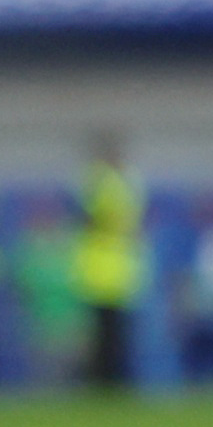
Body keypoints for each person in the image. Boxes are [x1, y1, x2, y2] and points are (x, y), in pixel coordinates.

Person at [74, 141, 146, 393]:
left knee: (112, 335)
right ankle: (105, 383)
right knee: (106, 336)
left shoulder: (107, 183)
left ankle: (111, 383)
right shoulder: (109, 184)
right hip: (103, 270)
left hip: (113, 270)